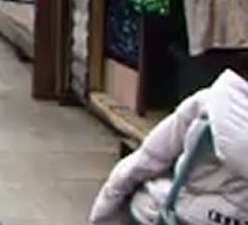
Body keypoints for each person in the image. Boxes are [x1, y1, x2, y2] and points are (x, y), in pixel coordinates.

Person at [90, 69, 248, 224]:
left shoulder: (207, 102)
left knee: (141, 195)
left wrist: (102, 215)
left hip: (180, 213)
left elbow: (147, 159)